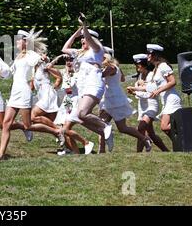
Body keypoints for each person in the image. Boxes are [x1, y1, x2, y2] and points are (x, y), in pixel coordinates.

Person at [0, 29, 64, 161]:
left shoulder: (31, 55)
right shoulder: (18, 56)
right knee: (6, 124)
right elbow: (10, 74)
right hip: (14, 93)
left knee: (28, 125)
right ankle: (1, 155)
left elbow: (42, 60)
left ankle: (56, 131)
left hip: (24, 93)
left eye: (18, 39)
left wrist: (44, 59)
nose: (16, 41)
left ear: (25, 41)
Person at [61, 14, 113, 153]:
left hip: (94, 83)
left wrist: (84, 26)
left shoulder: (96, 50)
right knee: (80, 116)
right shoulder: (79, 53)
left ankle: (105, 127)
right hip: (83, 86)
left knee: (82, 113)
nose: (83, 40)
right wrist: (77, 32)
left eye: (85, 38)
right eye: (82, 39)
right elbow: (65, 48)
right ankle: (104, 130)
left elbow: (89, 39)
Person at [99, 53, 153, 152]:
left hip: (114, 99)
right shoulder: (115, 67)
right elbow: (122, 79)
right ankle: (101, 150)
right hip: (108, 98)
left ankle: (144, 139)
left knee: (122, 128)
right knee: (101, 124)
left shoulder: (111, 67)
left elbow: (100, 75)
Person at [127, 54, 169, 152]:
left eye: (138, 64)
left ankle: (138, 153)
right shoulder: (140, 76)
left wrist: (136, 91)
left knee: (141, 128)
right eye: (136, 65)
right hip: (142, 107)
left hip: (151, 105)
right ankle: (166, 151)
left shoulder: (151, 76)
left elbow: (151, 93)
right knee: (151, 134)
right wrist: (134, 93)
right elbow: (139, 94)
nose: (137, 67)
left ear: (144, 64)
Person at [54, 54, 94, 155]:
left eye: (71, 60)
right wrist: (58, 58)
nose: (68, 62)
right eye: (66, 60)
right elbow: (49, 67)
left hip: (75, 101)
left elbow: (69, 88)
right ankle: (74, 151)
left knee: (65, 129)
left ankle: (86, 142)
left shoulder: (78, 74)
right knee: (64, 128)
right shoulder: (65, 73)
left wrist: (68, 73)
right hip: (67, 100)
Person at [146, 44, 182, 138]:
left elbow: (173, 81)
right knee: (166, 130)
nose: (148, 55)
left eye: (150, 53)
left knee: (164, 126)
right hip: (165, 100)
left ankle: (187, 128)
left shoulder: (163, 66)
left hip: (171, 99)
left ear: (155, 55)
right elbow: (153, 86)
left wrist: (159, 90)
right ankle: (179, 146)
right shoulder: (156, 69)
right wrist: (137, 89)